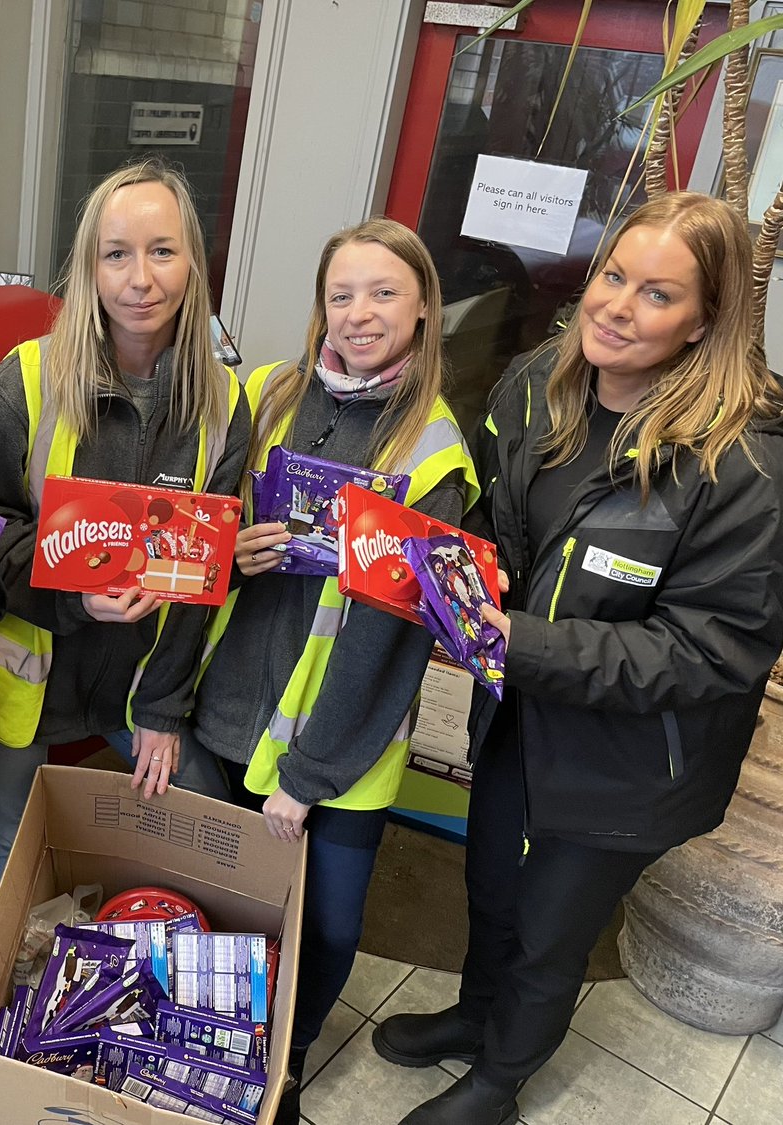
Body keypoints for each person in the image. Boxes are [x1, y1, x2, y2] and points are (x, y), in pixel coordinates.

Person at [373, 192, 783, 1125]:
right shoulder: (534, 385)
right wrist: (441, 564)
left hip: (629, 761)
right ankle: (477, 1016)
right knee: (492, 884)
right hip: (521, 714)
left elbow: (708, 650)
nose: (617, 305)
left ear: (706, 321)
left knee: (553, 929)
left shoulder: (744, 465)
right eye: (613, 276)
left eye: (658, 294)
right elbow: (496, 526)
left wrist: (517, 639)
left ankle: (499, 1081)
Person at [183, 218, 480, 1125]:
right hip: (228, 705)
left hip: (341, 745)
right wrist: (237, 547)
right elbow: (203, 526)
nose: (358, 314)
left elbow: (388, 642)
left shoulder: (432, 451)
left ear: (424, 306)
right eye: (340, 294)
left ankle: (288, 1059)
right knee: (228, 905)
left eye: (384, 293)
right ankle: (218, 1050)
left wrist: (310, 775)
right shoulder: (269, 392)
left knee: (330, 925)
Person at [0, 159, 250, 906]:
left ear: (193, 265)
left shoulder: (225, 403)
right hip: (21, 675)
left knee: (207, 805)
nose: (140, 278)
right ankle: (11, 992)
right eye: (117, 254)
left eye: (162, 250)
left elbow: (205, 574)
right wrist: (79, 599)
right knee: (14, 839)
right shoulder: (25, 380)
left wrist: (163, 711)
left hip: (137, 683)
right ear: (90, 268)